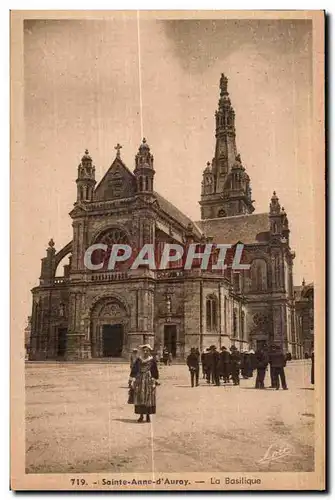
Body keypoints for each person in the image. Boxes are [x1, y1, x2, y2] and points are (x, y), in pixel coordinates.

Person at [130, 344, 159, 423]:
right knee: (140, 397)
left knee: (148, 398)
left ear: (149, 352)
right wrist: (132, 379)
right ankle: (141, 415)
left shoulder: (152, 360)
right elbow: (134, 370)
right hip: (139, 380)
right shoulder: (139, 360)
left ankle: (148, 416)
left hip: (148, 380)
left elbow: (155, 371)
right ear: (142, 351)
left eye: (147, 351)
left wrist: (154, 380)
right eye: (144, 351)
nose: (145, 352)